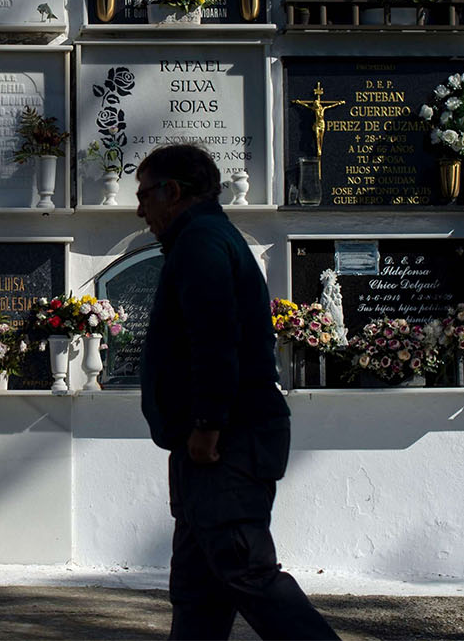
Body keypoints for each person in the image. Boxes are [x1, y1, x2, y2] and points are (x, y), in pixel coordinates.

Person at [135, 144, 338, 641]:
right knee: (198, 590)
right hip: (209, 443)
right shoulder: (202, 237)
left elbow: (214, 338)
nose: (141, 210)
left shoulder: (201, 241)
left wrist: (207, 423)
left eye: (144, 195)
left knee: (246, 571)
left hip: (225, 443)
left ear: (173, 192)